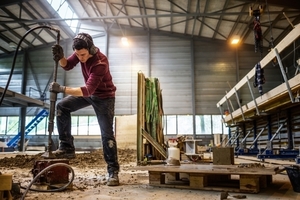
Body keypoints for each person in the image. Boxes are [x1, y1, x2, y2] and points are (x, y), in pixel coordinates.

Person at [50, 32, 120, 186]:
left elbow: (87, 90)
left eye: (83, 55)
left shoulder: (100, 62)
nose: (80, 58)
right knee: (62, 106)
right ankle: (67, 146)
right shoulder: (80, 51)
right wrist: (60, 57)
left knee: (106, 135)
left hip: (104, 97)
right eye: (77, 54)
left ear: (91, 49)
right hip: (90, 93)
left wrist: (61, 88)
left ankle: (113, 171)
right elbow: (67, 65)